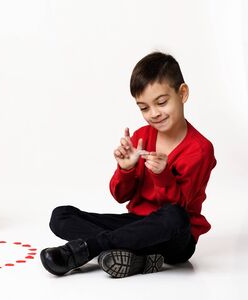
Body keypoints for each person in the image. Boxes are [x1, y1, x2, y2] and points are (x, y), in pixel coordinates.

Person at [40, 52, 216, 278]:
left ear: (182, 93)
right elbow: (121, 196)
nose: (153, 114)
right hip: (136, 224)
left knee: (175, 217)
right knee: (61, 216)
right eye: (144, 107)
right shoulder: (141, 136)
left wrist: (163, 175)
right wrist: (126, 169)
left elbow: (178, 208)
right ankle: (135, 255)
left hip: (174, 237)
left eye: (161, 102)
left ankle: (88, 249)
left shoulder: (200, 149)